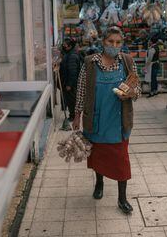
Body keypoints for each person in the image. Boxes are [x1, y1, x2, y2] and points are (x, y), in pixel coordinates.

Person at [72, 26, 141, 214]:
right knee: (98, 156)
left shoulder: (127, 62)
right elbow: (81, 91)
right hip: (96, 119)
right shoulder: (90, 63)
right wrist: (77, 115)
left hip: (118, 121)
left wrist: (130, 94)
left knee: (121, 159)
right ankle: (99, 184)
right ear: (103, 42)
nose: (114, 45)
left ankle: (122, 198)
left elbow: (137, 89)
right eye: (111, 41)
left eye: (118, 42)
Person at [59, 38, 81, 121]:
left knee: (72, 101)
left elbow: (73, 72)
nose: (63, 46)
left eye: (65, 45)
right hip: (68, 82)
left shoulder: (72, 56)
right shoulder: (69, 54)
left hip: (71, 84)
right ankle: (72, 115)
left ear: (70, 46)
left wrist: (69, 84)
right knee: (70, 100)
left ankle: (73, 116)